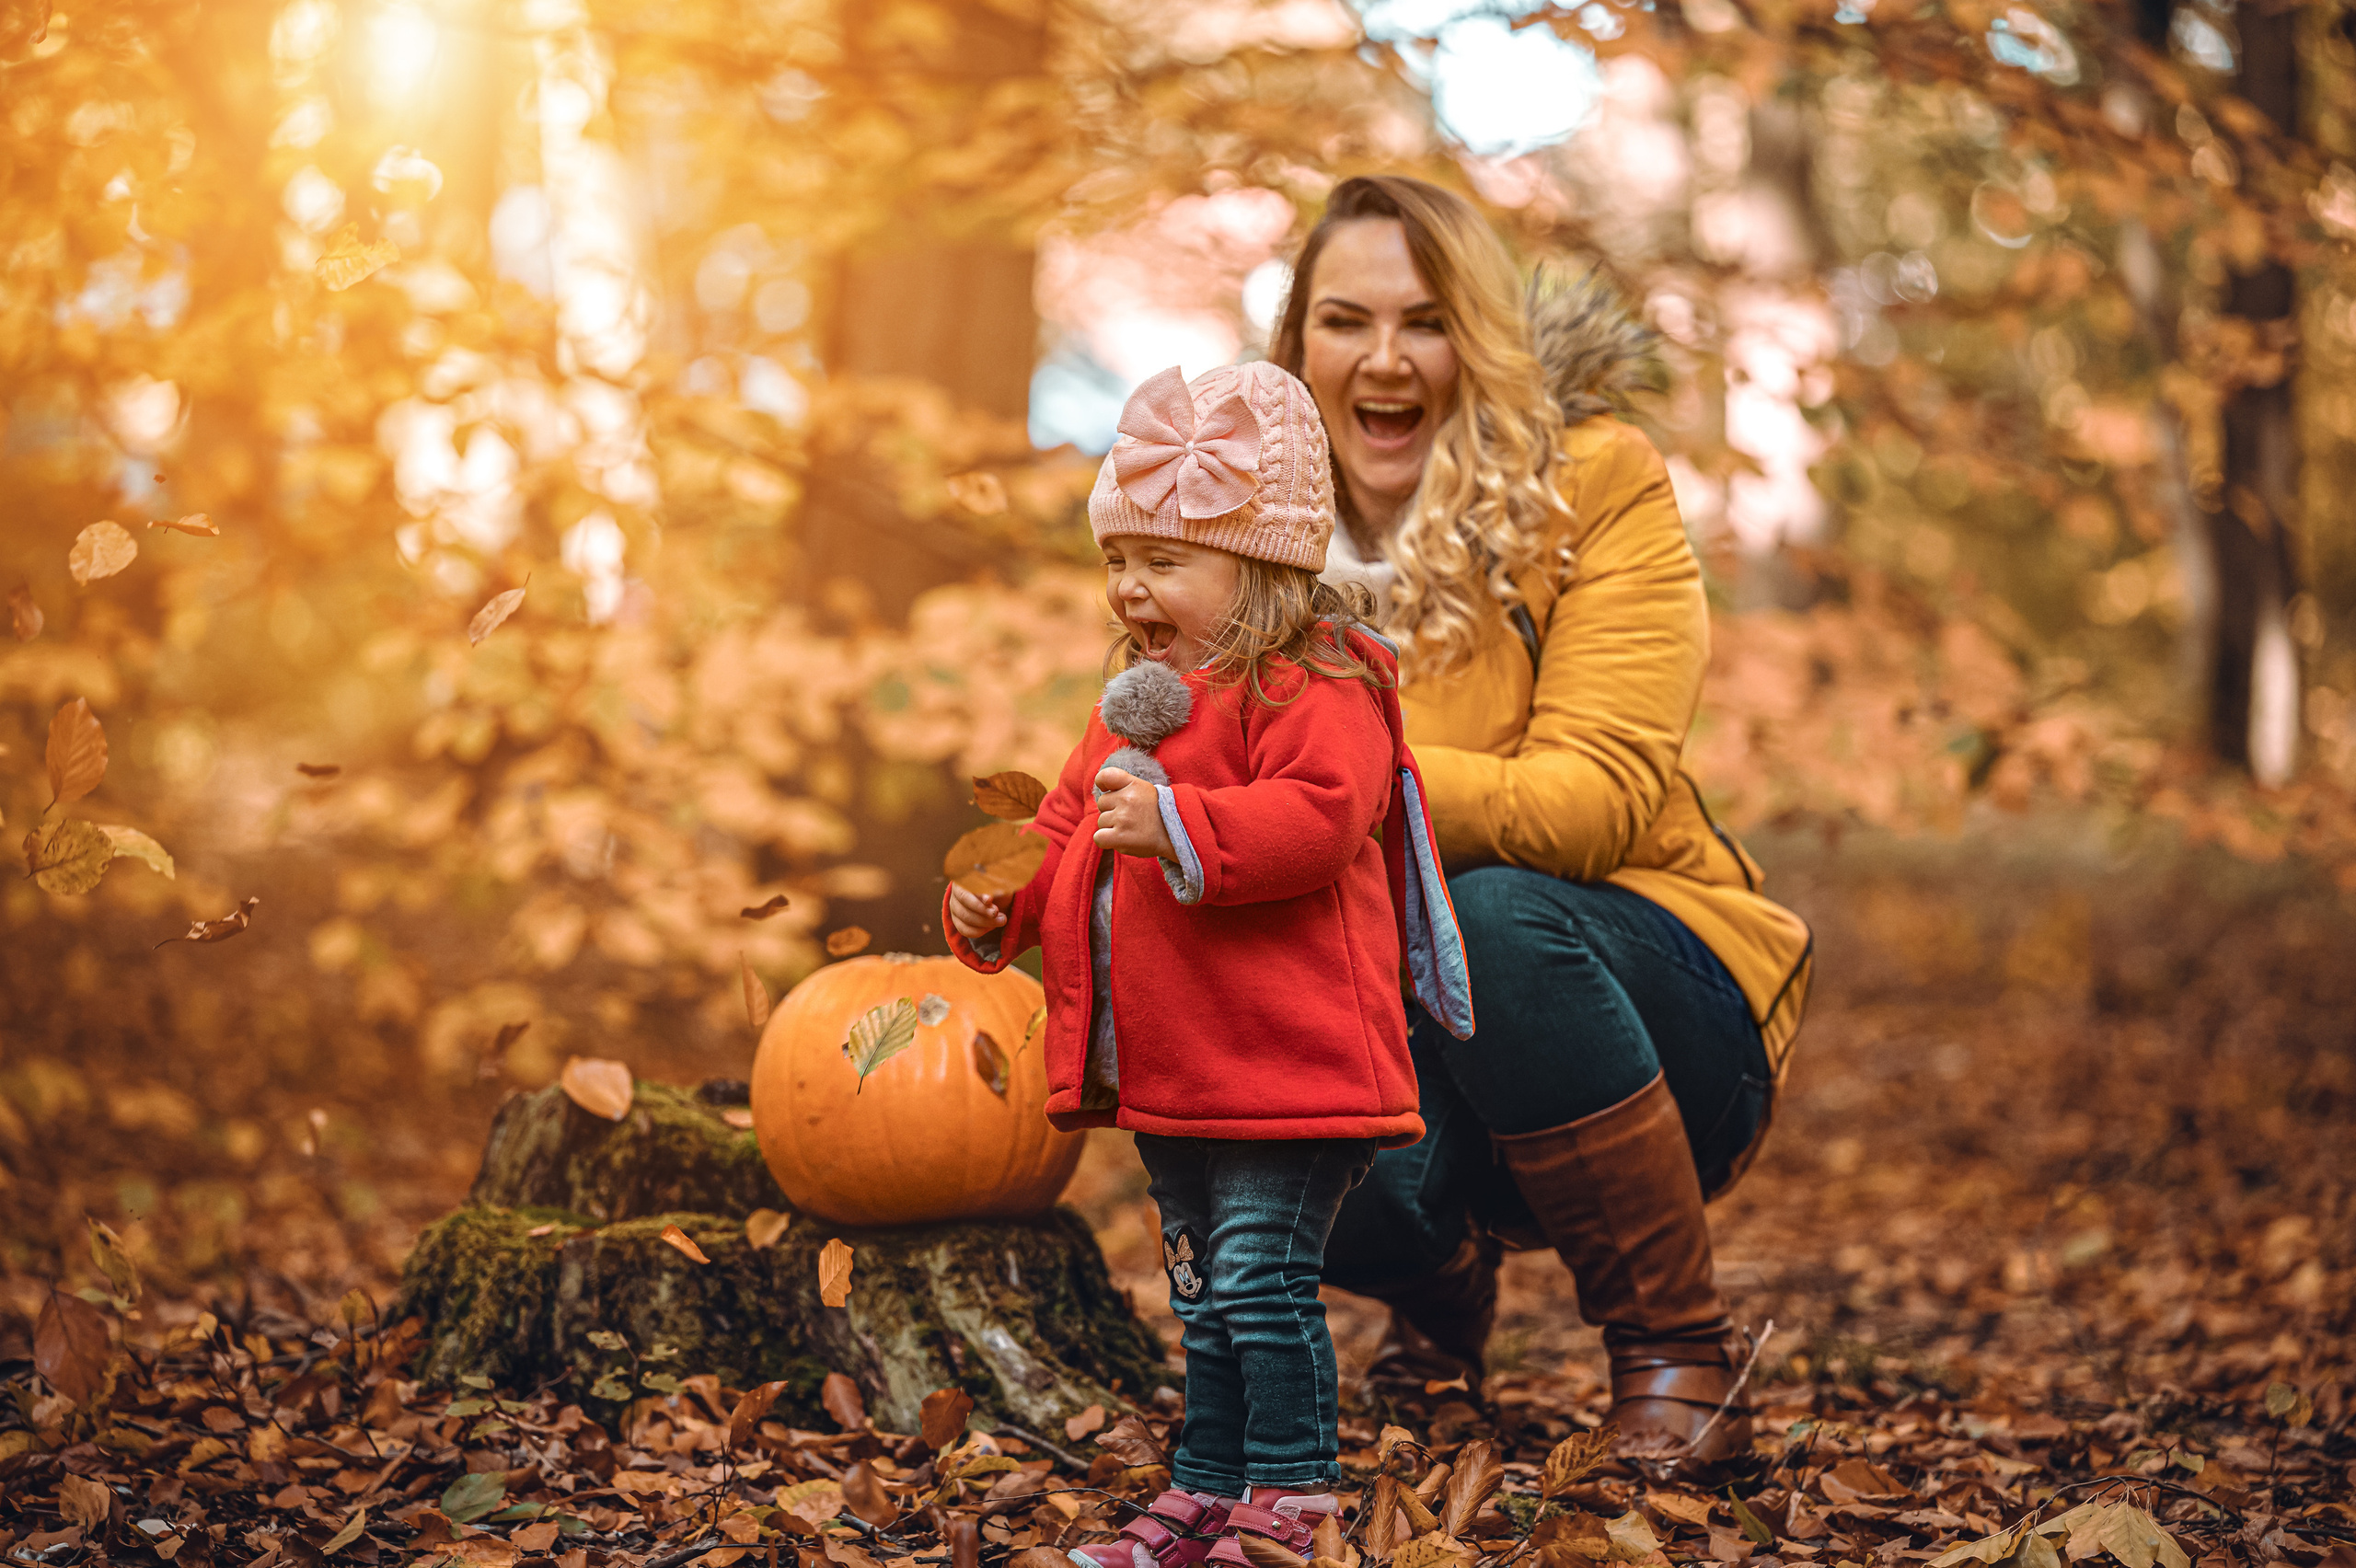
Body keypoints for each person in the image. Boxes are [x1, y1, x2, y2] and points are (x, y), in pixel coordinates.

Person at [1274, 175, 1815, 1465]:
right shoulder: (1239, 552)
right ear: (1296, 348)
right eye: (1345, 321)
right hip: (1392, 1014)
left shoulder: (1593, 487)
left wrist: (1333, 791)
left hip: (1650, 1001)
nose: (1387, 359)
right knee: (1234, 1070)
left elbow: (1594, 802)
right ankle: (1441, 1278)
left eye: (1428, 320)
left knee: (1501, 916)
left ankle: (1679, 1353)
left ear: (1483, 341)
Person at [945, 360, 1473, 1568]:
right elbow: (1067, 826)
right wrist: (1001, 906)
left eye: (1166, 561)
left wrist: (1185, 829)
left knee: (1256, 1275)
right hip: (1182, 1066)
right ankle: (1204, 1488)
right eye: (1120, 562)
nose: (1132, 589)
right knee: (1199, 1285)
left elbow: (1326, 815)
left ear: (1267, 566)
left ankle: (1290, 1498)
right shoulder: (1135, 705)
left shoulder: (1319, 681)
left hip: (1288, 1058)